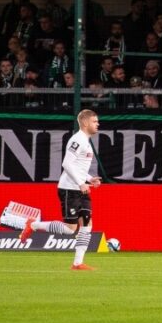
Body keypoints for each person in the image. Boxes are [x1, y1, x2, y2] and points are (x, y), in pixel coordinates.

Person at [18, 109, 103, 270]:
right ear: (85, 123)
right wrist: (80, 183)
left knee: (87, 223)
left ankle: (78, 263)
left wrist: (89, 178)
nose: (97, 124)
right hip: (69, 189)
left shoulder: (86, 141)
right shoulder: (77, 140)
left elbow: (77, 167)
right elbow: (67, 164)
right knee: (70, 229)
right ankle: (34, 225)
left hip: (80, 188)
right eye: (94, 121)